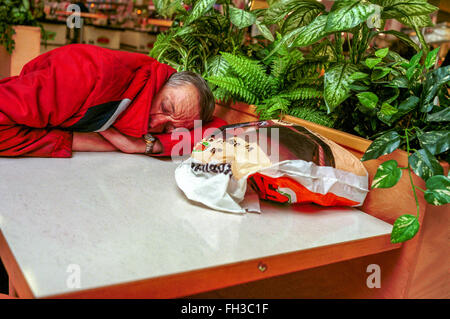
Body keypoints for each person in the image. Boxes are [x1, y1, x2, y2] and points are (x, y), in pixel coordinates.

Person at [0, 44, 224, 158]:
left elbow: (220, 130)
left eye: (168, 127)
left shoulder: (154, 94)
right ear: (161, 82)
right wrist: (76, 140)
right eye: (165, 107)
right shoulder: (87, 76)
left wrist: (150, 145)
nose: (155, 125)